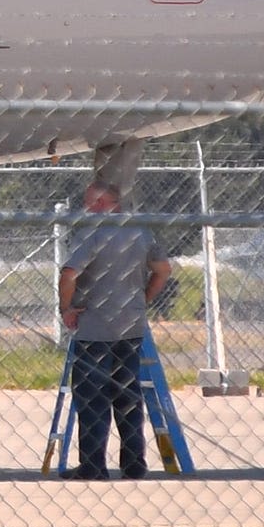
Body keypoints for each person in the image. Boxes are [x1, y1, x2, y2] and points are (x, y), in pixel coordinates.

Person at [57, 184, 172, 480]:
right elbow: (163, 270)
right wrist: (143, 299)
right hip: (131, 325)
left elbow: (69, 273)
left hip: (95, 326)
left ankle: (93, 465)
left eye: (89, 203)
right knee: (128, 395)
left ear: (101, 203)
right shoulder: (139, 230)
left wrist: (66, 307)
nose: (86, 209)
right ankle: (134, 463)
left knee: (92, 397)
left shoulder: (95, 231)